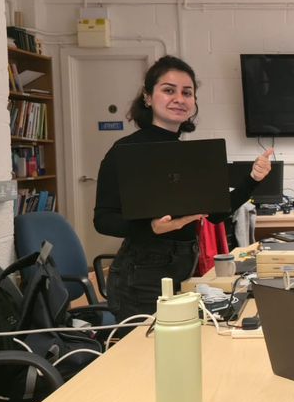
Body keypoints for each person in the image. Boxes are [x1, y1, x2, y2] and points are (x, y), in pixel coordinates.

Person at [94, 55, 274, 322]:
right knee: (141, 357)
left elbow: (215, 213)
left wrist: (253, 180)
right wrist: (151, 227)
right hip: (140, 276)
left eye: (187, 93)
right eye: (168, 90)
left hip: (184, 267)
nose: (179, 98)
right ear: (147, 97)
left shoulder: (191, 155)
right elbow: (103, 220)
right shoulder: (125, 151)